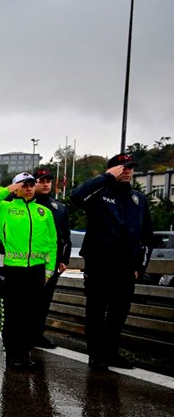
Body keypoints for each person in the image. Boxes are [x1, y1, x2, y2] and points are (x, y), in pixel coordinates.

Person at [71, 153, 153, 370]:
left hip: (125, 267)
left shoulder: (138, 199)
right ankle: (96, 355)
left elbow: (146, 235)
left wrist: (139, 266)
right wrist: (105, 177)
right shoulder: (99, 193)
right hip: (100, 264)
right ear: (112, 170)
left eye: (130, 167)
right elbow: (76, 196)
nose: (127, 171)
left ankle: (111, 352)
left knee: (118, 312)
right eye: (121, 167)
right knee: (96, 311)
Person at [0, 172, 57, 370]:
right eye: (23, 184)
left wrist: (49, 270)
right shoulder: (3, 208)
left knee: (31, 316)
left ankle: (25, 354)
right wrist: (7, 190)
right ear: (16, 187)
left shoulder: (43, 212)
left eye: (30, 184)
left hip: (36, 271)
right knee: (13, 316)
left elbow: (52, 243)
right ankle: (12, 356)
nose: (28, 188)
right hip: (11, 271)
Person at [32, 167, 71, 349]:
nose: (45, 184)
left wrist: (64, 259)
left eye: (48, 181)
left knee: (44, 300)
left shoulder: (59, 207)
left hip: (51, 262)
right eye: (41, 181)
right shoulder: (25, 205)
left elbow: (64, 236)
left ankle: (38, 334)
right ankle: (24, 334)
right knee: (27, 301)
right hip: (29, 262)